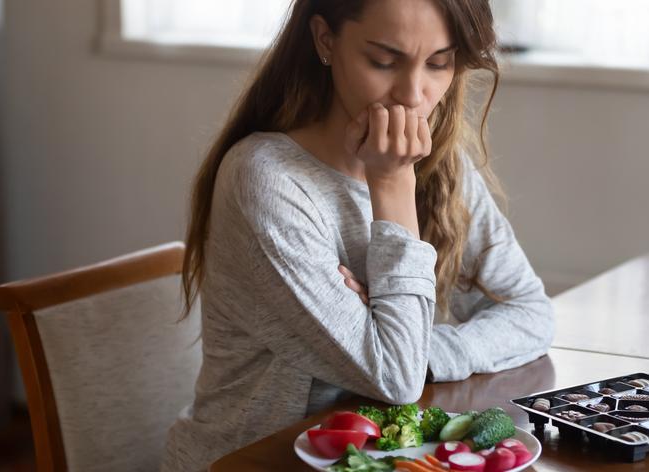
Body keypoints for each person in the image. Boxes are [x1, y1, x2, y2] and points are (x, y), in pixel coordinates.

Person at [161, 0, 555, 470]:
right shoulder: (266, 179)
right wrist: (390, 185)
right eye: (384, 61)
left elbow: (530, 313)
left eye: (438, 63)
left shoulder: (441, 162)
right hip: (256, 460)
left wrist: (418, 348)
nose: (413, 95)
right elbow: (395, 378)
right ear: (326, 40)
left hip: (384, 458)